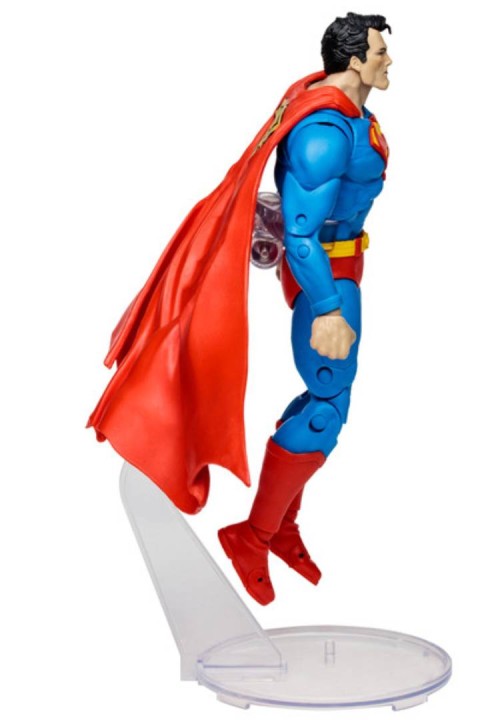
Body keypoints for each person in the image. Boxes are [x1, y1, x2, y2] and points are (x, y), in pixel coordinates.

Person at [90, 13, 392, 606]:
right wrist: (327, 308)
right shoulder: (325, 133)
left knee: (323, 398)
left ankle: (279, 526)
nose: (389, 61)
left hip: (345, 267)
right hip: (326, 277)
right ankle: (252, 535)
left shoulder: (349, 112)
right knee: (327, 406)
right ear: (355, 60)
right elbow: (300, 234)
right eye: (380, 52)